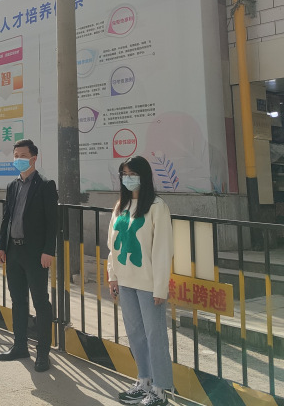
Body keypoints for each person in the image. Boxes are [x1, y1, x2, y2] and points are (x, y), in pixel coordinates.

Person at [108, 156, 174, 406]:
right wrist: (113, 275)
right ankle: (144, 381)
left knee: (155, 336)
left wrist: (160, 288)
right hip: (125, 281)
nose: (128, 178)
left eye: (132, 174)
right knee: (135, 334)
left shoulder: (157, 206)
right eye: (124, 174)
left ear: (144, 176)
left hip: (149, 284)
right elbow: (112, 245)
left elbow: (162, 250)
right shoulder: (120, 206)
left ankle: (160, 389)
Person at [0, 139, 58, 373]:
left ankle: (43, 353)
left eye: (23, 155)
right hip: (14, 251)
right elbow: (7, 218)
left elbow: (52, 222)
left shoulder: (45, 185)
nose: (18, 159)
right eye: (15, 156)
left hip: (35, 254)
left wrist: (48, 250)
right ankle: (20, 346)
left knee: (41, 302)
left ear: (34, 158)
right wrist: (2, 246)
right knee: (18, 300)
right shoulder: (12, 186)